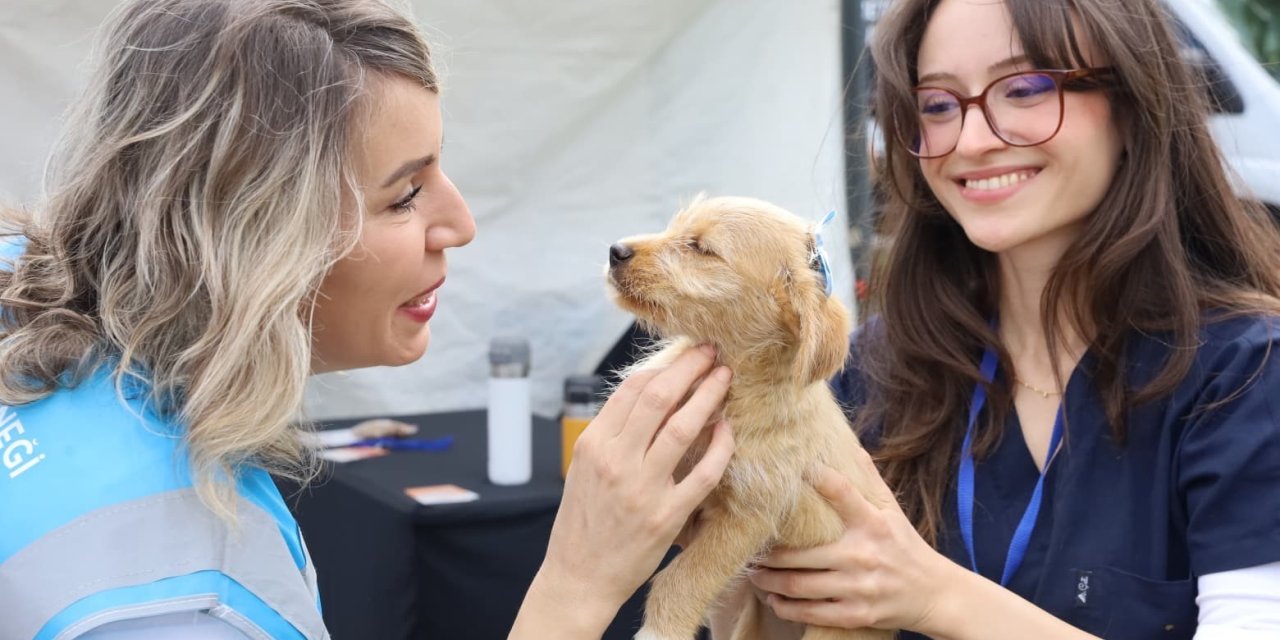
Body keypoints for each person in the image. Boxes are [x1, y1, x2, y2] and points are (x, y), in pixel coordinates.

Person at [0, 0, 733, 638]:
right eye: (403, 196)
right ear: (257, 235)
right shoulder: (177, 603)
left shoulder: (18, 281)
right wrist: (578, 585)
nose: (462, 224)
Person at [732, 0, 1280, 638]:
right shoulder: (868, 375)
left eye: (1024, 89)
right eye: (936, 105)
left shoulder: (1245, 376)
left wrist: (936, 598)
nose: (971, 141)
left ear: (1132, 106)